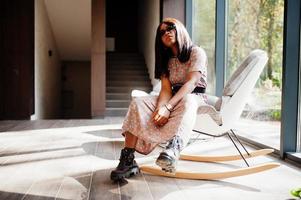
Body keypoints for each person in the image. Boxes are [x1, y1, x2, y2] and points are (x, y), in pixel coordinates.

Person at [110, 18, 208, 181]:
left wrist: (168, 107)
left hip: (195, 98)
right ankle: (128, 160)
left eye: (170, 28)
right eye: (162, 32)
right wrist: (160, 108)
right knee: (138, 103)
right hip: (172, 99)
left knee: (188, 100)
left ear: (180, 29)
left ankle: (172, 151)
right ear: (160, 40)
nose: (166, 32)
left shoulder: (197, 52)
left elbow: (191, 83)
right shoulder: (166, 60)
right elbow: (165, 90)